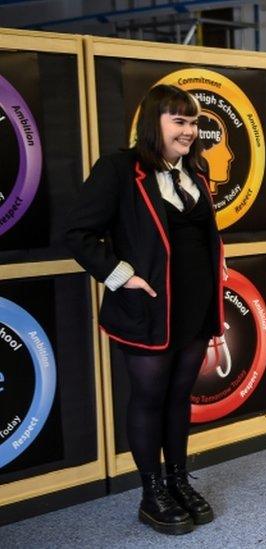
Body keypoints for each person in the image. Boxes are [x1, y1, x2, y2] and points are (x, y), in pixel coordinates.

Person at [65, 85, 224, 535]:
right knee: (150, 398)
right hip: (148, 308)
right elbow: (77, 234)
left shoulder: (197, 168)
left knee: (178, 397)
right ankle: (151, 491)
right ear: (154, 123)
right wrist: (120, 275)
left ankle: (177, 481)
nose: (190, 131)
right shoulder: (118, 169)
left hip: (193, 304)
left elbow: (199, 232)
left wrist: (217, 257)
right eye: (180, 121)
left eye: (194, 122)